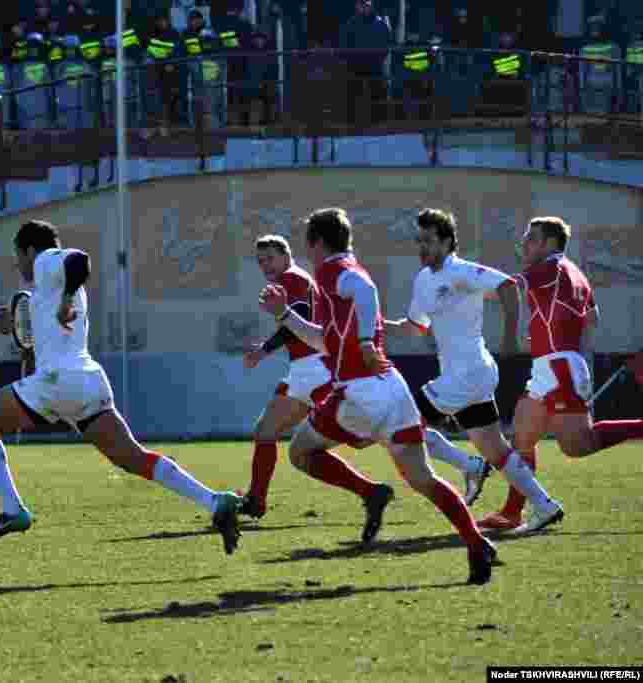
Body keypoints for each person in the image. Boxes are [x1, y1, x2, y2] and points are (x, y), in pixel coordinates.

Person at [0, 220, 243, 554]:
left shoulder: (45, 261)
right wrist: (11, 326)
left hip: (57, 383)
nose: (17, 264)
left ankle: (13, 510)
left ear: (28, 250)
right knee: (132, 457)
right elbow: (42, 339)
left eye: (17, 256)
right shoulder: (47, 287)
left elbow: (80, 259)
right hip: (87, 381)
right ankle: (215, 501)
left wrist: (66, 299)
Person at [259, 208, 497, 585]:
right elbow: (325, 339)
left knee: (300, 451)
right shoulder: (342, 270)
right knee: (423, 478)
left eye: (309, 242)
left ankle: (371, 493)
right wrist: (285, 314)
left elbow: (364, 291)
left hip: (358, 391)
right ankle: (475, 542)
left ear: (317, 243)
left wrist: (367, 338)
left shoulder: (333, 270)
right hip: (391, 387)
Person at [383, 209, 563, 532]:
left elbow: (508, 286)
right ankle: (545, 505)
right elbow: (415, 327)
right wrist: (378, 326)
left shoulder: (462, 271)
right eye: (418, 241)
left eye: (429, 241)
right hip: (465, 378)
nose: (422, 247)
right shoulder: (423, 280)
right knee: (496, 449)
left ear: (448, 242)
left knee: (400, 424)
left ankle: (469, 466)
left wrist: (509, 336)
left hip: (468, 375)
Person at [481, 217, 643, 532]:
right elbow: (591, 317)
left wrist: (463, 287)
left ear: (550, 243)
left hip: (559, 367)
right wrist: (547, 335)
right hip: (554, 364)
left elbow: (506, 289)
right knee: (522, 437)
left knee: (577, 445)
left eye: (531, 238)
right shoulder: (576, 273)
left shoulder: (549, 268)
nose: (524, 244)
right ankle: (512, 512)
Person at [239, 234, 334, 520]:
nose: (265, 265)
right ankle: (255, 500)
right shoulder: (294, 279)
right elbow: (294, 318)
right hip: (305, 370)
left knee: (374, 429)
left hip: (316, 367)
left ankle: (371, 492)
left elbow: (296, 317)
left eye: (269, 258)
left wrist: (263, 351)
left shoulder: (291, 278)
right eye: (260, 261)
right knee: (265, 431)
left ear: (286, 255)